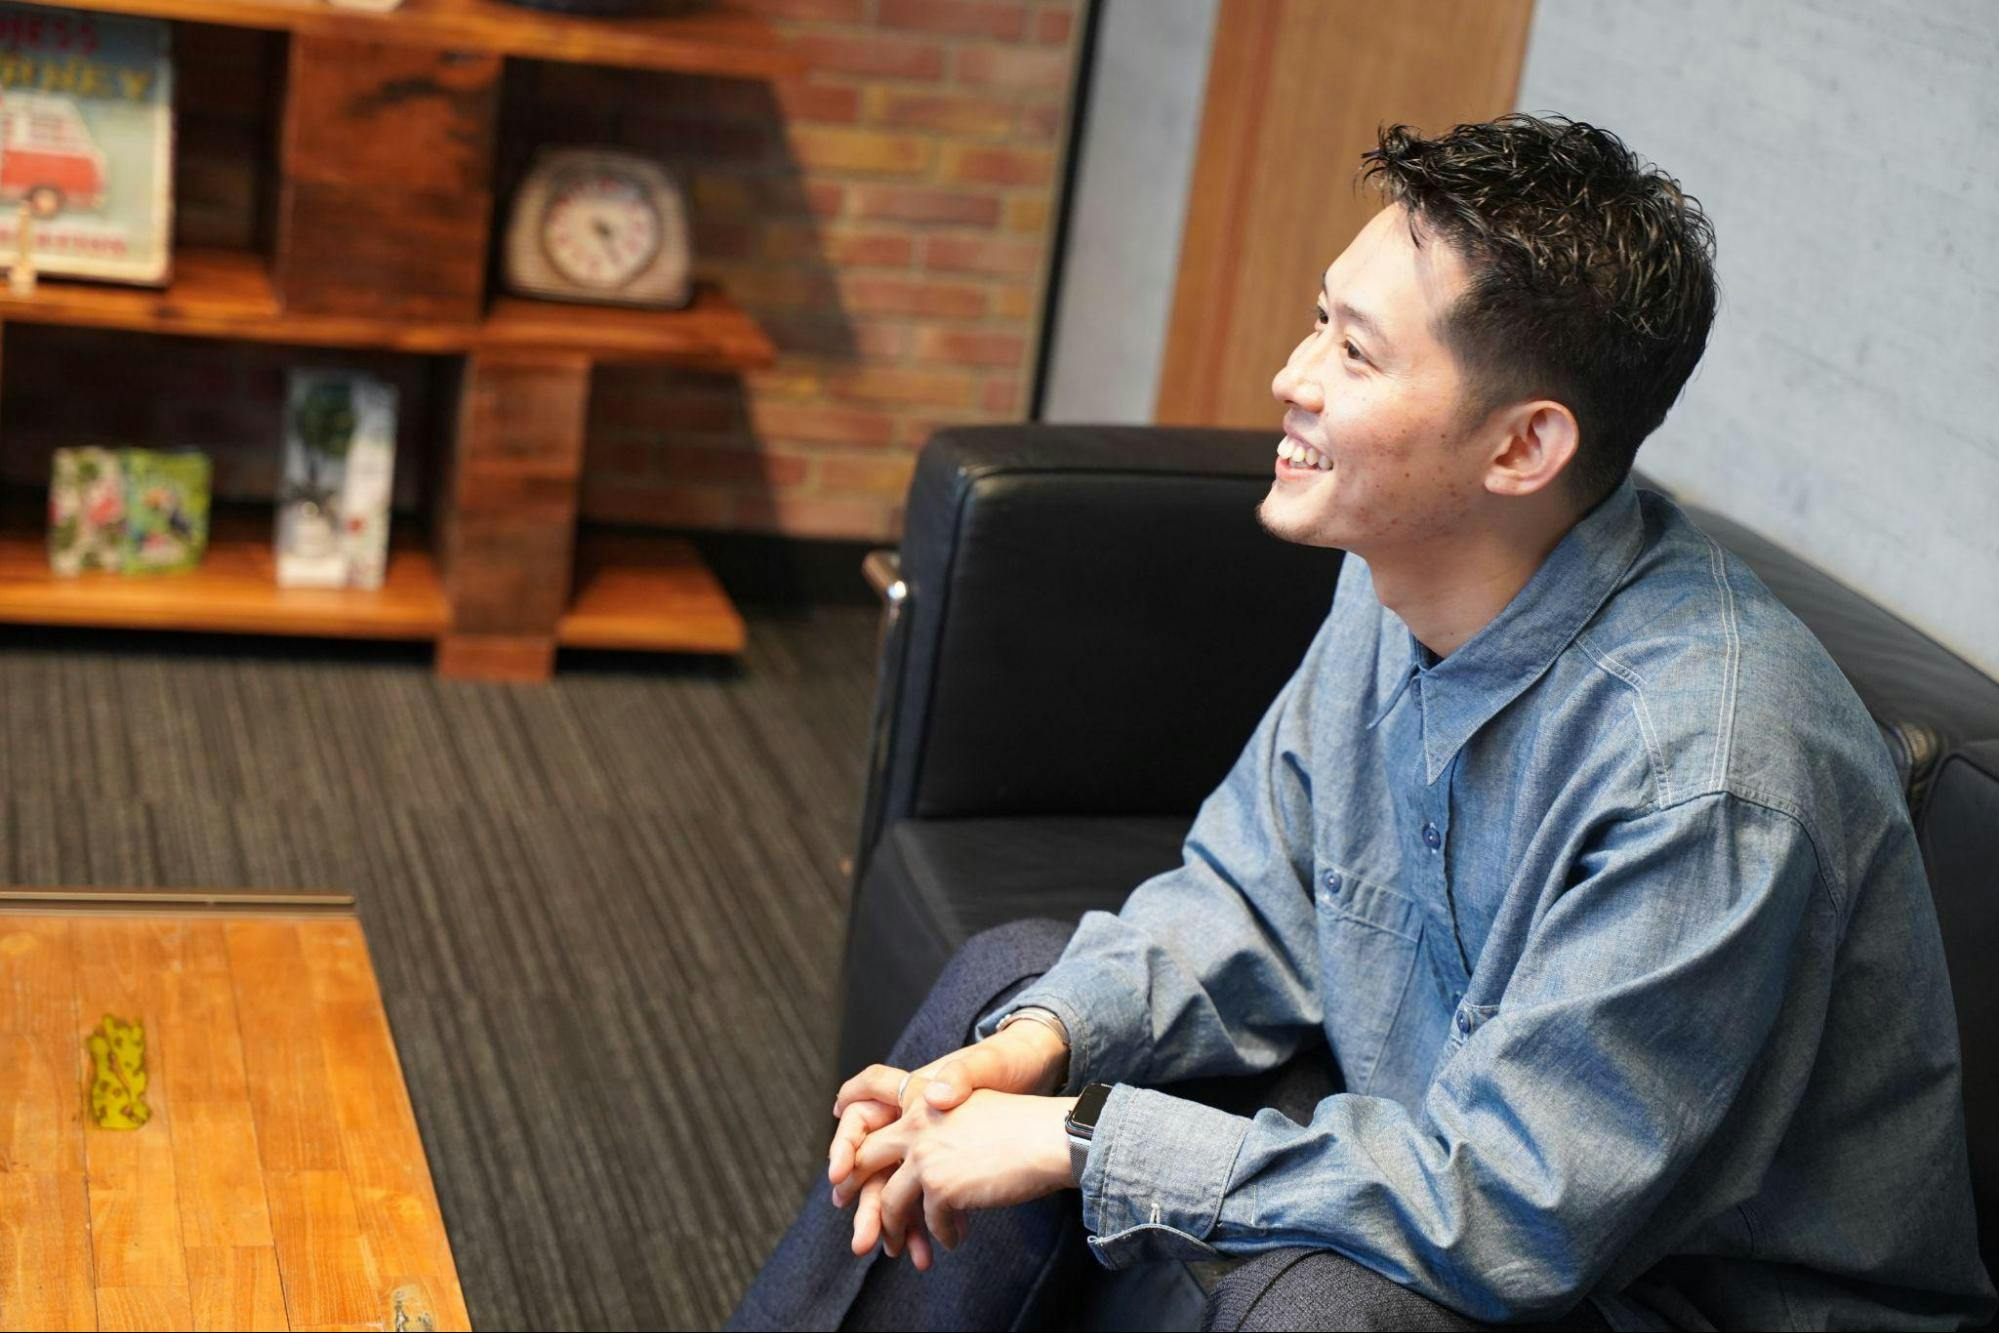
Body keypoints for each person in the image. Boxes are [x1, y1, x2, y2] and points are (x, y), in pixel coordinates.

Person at [729, 114, 1997, 1331]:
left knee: (1323, 1308)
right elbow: (1252, 894)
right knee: (1012, 994)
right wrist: (1044, 1047)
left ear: (1522, 448)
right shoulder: (1401, 572)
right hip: (1435, 1122)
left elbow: (1515, 1208)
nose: (1290, 378)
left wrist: (1079, 1136)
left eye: (1354, 353)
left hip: (1663, 1287)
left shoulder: (1707, 777)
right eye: (1316, 320)